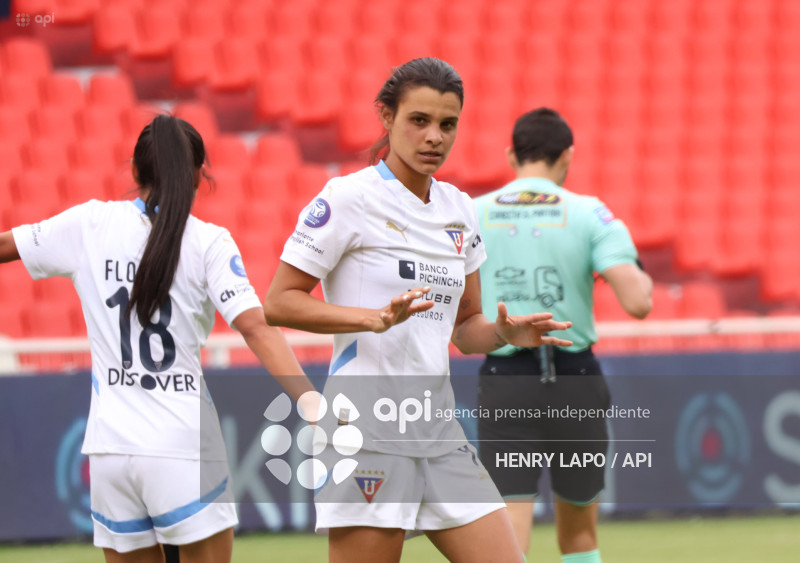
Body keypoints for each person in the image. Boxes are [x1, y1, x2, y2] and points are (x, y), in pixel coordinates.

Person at [263, 58, 573, 563]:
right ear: (386, 117)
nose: (435, 137)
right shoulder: (347, 198)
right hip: (366, 433)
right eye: (419, 120)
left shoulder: (460, 209)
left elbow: (465, 329)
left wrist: (503, 334)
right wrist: (370, 319)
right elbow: (278, 302)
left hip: (439, 432)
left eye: (447, 124)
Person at [0, 115, 316, 563]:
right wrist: (310, 401)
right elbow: (255, 327)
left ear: (135, 172)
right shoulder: (209, 242)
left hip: (109, 454)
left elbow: (4, 247)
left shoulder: (89, 223)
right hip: (182, 447)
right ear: (198, 175)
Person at [473, 107, 654, 562]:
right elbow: (638, 303)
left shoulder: (473, 213)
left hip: (505, 378)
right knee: (578, 536)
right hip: (575, 378)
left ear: (512, 154)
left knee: (509, 535)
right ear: (568, 156)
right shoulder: (590, 213)